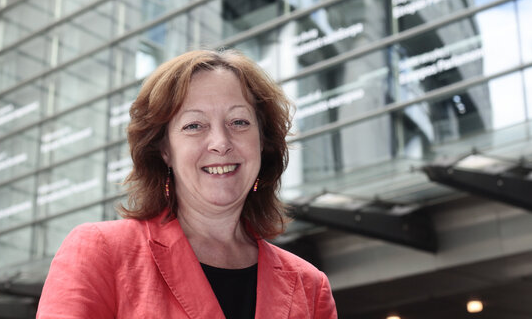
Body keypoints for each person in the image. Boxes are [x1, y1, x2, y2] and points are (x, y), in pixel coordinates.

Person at [36, 49, 338, 318]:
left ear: (262, 143)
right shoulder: (101, 252)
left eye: (239, 122)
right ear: (164, 150)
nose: (221, 142)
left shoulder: (309, 286)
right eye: (194, 125)